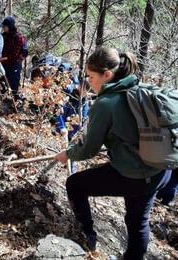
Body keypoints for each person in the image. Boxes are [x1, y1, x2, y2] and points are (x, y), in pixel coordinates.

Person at [55, 47, 172, 259]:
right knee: (137, 222)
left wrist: (69, 154)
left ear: (107, 75)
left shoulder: (106, 104)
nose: (88, 82)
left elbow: (89, 150)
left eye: (91, 77)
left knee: (75, 184)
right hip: (160, 169)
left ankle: (87, 236)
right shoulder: (140, 89)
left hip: (135, 175)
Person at [1, 16, 27, 99]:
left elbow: (16, 53)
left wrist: (5, 58)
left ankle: (15, 100)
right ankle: (5, 98)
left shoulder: (18, 37)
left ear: (10, 26)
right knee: (4, 80)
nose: (4, 28)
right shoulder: (4, 36)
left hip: (15, 63)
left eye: (5, 26)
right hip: (5, 63)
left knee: (14, 82)